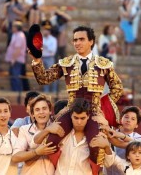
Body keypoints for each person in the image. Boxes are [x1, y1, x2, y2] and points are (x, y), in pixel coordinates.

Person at [30, 25, 123, 167]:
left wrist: (102, 108)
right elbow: (44, 78)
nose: (77, 43)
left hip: (93, 111)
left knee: (97, 149)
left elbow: (117, 88)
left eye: (81, 39)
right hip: (71, 109)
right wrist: (37, 60)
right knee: (51, 141)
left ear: (91, 41)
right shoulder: (67, 63)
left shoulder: (104, 64)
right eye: (75, 40)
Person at [12, 95, 57, 174]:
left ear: (50, 111)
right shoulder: (24, 130)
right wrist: (36, 152)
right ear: (32, 114)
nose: (41, 112)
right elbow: (15, 157)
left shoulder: (57, 127)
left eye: (44, 108)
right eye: (37, 110)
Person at [105, 106, 141, 175]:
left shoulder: (140, 138)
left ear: (136, 125)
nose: (128, 120)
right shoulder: (111, 132)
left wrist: (119, 135)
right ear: (121, 119)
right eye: (126, 117)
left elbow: (118, 143)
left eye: (133, 119)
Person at [5, 21, 26, 91]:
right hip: (13, 59)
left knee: (16, 76)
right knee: (13, 76)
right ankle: (14, 90)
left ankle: (17, 92)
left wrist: (13, 59)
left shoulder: (20, 36)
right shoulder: (15, 35)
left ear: (17, 28)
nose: (12, 28)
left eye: (13, 27)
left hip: (17, 59)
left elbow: (18, 49)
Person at [41, 20, 58, 93]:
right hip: (42, 57)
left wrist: (45, 45)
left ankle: (54, 91)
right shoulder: (41, 38)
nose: (45, 31)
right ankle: (46, 91)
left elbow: (52, 50)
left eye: (47, 30)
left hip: (50, 58)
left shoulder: (53, 39)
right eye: (44, 30)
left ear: (49, 31)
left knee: (52, 75)